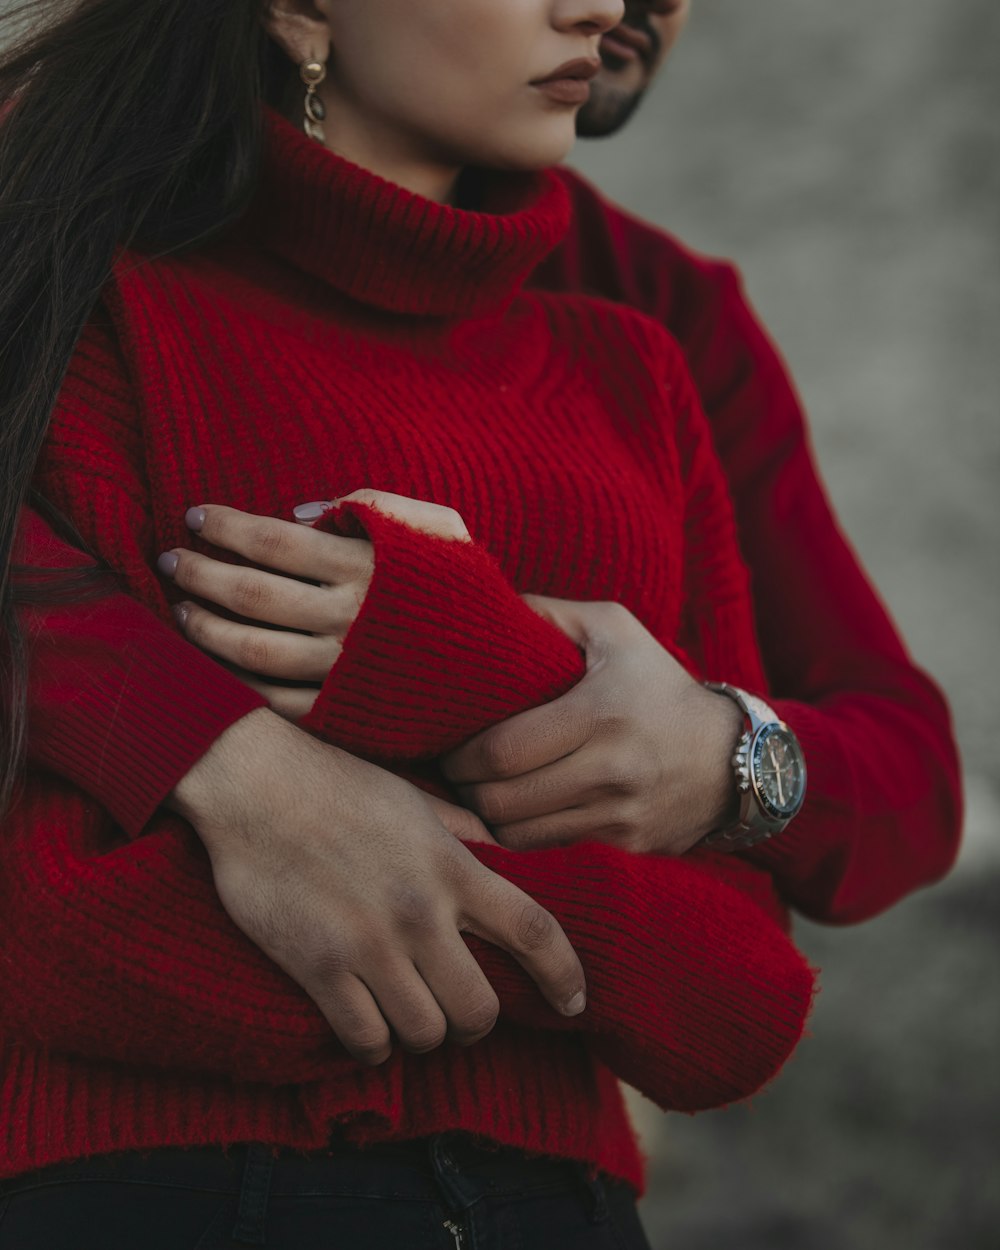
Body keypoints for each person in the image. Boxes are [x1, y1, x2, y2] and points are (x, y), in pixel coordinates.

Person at [0, 1, 816, 1246]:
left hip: (568, 1213)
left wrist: (478, 663)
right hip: (163, 1195)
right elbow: (66, 935)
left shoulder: (638, 377)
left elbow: (741, 1002)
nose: (598, 5)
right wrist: (598, 933)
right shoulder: (94, 310)